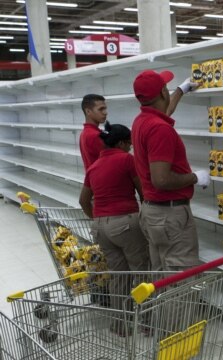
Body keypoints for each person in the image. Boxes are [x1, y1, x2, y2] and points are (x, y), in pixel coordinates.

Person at [131, 70, 208, 271]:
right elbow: (161, 180)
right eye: (166, 87)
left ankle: (163, 304)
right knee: (180, 282)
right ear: (162, 93)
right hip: (170, 215)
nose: (167, 90)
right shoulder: (160, 129)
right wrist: (195, 178)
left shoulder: (142, 121)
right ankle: (177, 305)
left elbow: (165, 112)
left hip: (152, 212)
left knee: (162, 276)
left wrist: (181, 91)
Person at [79, 122, 149, 336]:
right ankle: (147, 323)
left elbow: (83, 200)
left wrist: (100, 218)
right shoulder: (127, 160)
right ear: (121, 142)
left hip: (101, 227)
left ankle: (119, 324)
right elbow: (143, 192)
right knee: (143, 272)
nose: (130, 147)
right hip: (126, 223)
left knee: (119, 276)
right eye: (129, 143)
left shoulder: (94, 166)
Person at [79, 94, 108, 171]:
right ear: (88, 111)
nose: (105, 112)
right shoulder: (95, 135)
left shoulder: (84, 133)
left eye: (105, 109)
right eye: (101, 109)